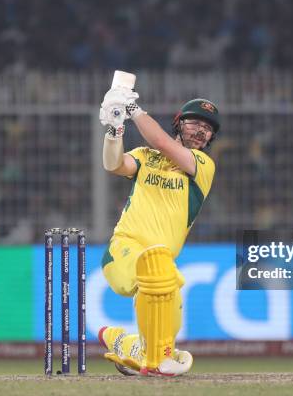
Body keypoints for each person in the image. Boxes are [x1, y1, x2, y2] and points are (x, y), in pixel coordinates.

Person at [97, 82, 219, 376]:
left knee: (169, 289)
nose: (201, 131)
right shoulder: (145, 156)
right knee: (158, 269)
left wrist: (133, 109)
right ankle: (154, 355)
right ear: (178, 122)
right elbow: (114, 165)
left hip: (161, 265)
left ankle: (131, 346)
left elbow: (165, 143)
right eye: (194, 123)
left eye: (208, 128)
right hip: (122, 251)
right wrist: (115, 130)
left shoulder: (202, 165)